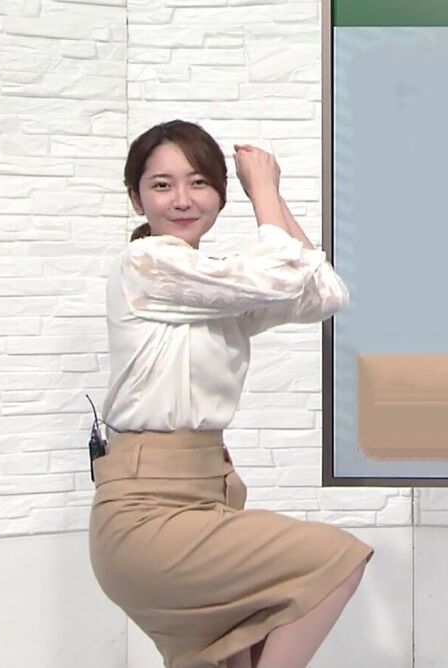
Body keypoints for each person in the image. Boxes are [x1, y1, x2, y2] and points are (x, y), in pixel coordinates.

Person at [89, 119, 373, 668]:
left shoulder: (214, 285)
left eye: (199, 182)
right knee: (335, 559)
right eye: (162, 185)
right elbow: (281, 276)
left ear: (220, 194)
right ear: (136, 198)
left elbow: (323, 293)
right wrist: (263, 190)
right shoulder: (146, 264)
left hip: (209, 495)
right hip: (148, 512)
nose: (182, 199)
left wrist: (271, 195)